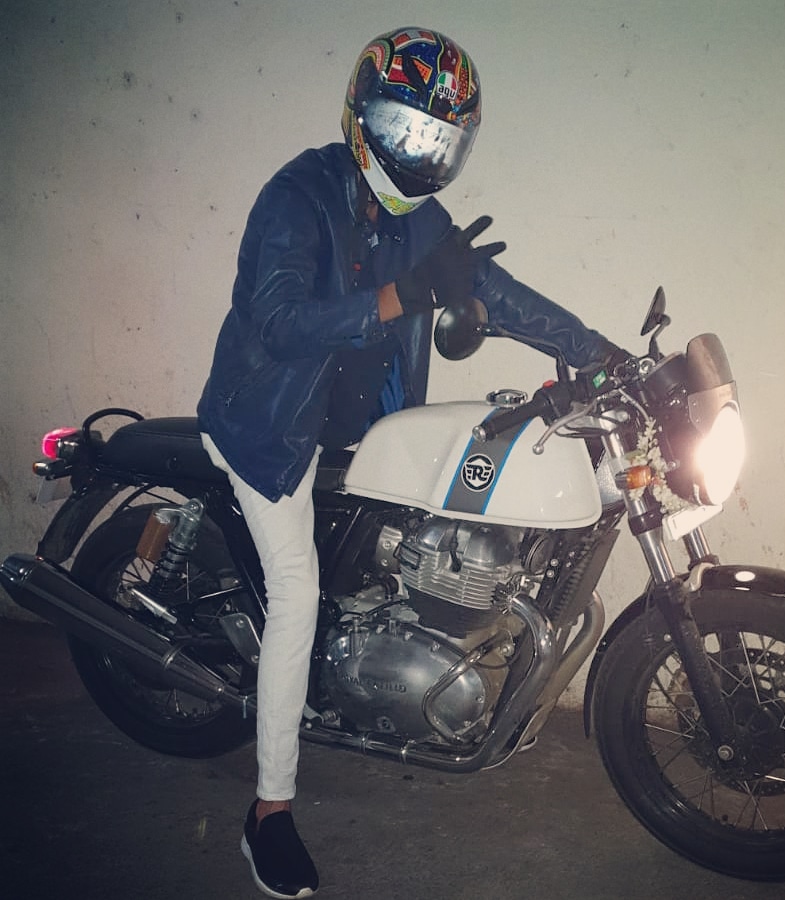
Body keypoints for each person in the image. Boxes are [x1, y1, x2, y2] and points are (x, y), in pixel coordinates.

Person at [197, 26, 622, 900]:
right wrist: (401, 294)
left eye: (438, 142)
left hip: (359, 426)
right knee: (298, 596)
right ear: (363, 115)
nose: (418, 155)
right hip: (270, 427)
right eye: (405, 130)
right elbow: (278, 322)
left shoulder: (416, 219)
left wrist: (600, 351)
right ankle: (268, 813)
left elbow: (493, 292)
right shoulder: (298, 196)